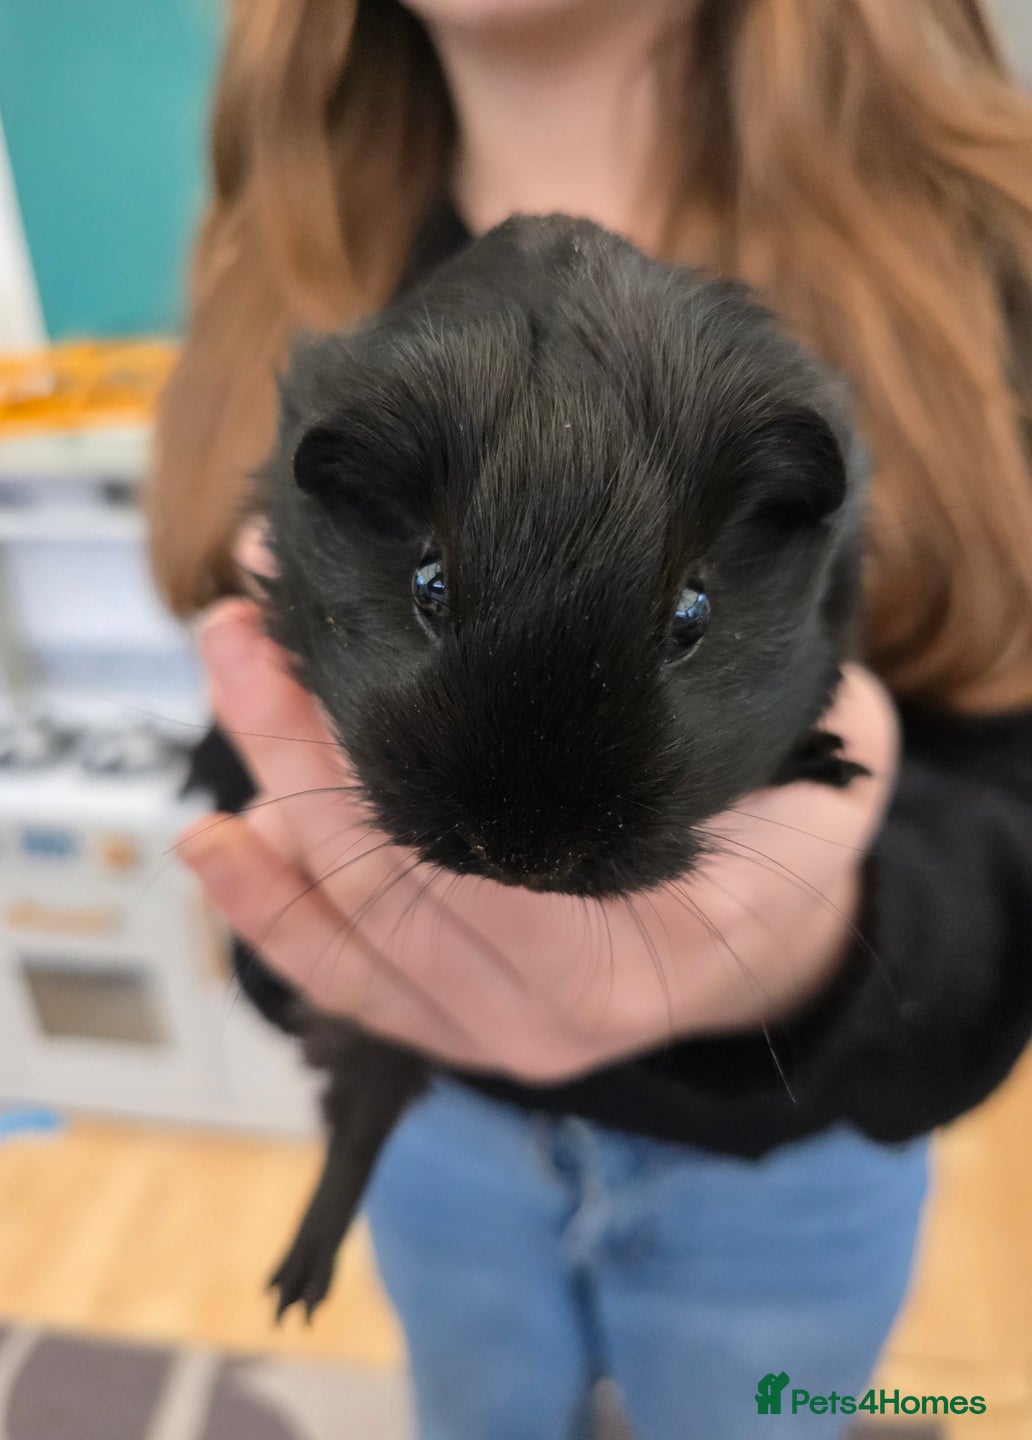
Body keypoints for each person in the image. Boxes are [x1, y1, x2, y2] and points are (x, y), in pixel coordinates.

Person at [149, 2, 1032, 1437]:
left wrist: (812, 959)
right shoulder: (281, 268)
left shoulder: (990, 252)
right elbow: (255, 736)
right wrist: (305, 925)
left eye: (687, 622)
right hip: (443, 1139)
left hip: (795, 1175)